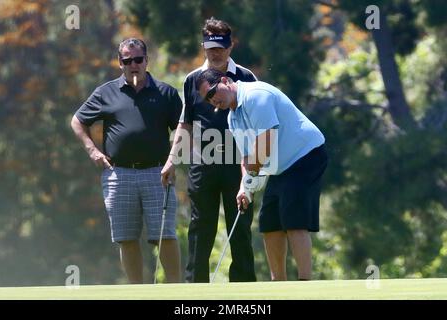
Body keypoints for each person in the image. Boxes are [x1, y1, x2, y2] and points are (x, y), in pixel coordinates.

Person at [196, 69, 328, 281]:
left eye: (213, 92)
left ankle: (305, 283)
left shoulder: (256, 96)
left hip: (306, 155)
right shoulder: (233, 117)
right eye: (207, 98)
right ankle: (279, 284)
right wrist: (243, 187)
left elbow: (265, 141)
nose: (213, 100)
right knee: (270, 223)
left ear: (224, 80)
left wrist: (252, 178)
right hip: (281, 166)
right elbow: (247, 156)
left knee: (293, 220)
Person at [71, 38, 182, 283]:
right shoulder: (105, 92)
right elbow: (78, 121)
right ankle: (136, 292)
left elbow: (184, 130)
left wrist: (173, 161)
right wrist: (92, 150)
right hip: (119, 175)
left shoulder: (166, 93)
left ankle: (176, 289)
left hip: (158, 173)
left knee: (164, 234)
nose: (133, 65)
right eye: (127, 61)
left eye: (138, 60)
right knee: (126, 237)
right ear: (120, 63)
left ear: (146, 60)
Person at [161, 18, 257, 282]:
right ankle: (195, 289)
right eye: (210, 47)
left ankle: (245, 288)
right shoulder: (192, 79)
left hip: (239, 164)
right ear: (203, 46)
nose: (216, 53)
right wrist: (171, 160)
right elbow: (185, 123)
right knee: (200, 229)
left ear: (231, 45)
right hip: (203, 163)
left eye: (221, 47)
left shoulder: (246, 77)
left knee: (240, 231)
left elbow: (255, 121)